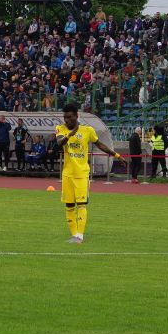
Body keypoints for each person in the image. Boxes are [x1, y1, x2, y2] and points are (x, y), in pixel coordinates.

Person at [56, 102, 122, 244]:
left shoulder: (87, 130)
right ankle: (74, 235)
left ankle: (80, 235)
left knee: (81, 204)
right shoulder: (60, 129)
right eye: (65, 117)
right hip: (67, 174)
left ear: (76, 116)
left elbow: (100, 145)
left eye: (70, 117)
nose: (67, 120)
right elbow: (59, 143)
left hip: (81, 173)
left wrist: (116, 155)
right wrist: (69, 135)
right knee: (69, 206)